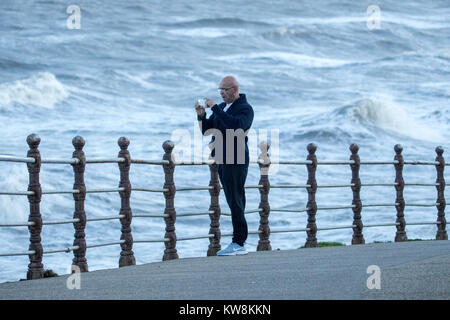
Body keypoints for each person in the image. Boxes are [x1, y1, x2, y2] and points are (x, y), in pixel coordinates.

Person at [195, 76, 254, 256]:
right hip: (221, 157)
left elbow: (235, 126)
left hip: (235, 158)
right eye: (220, 89)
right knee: (231, 198)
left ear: (234, 90)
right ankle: (238, 241)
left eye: (225, 90)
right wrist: (201, 114)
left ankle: (239, 242)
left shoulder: (245, 108)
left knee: (235, 199)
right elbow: (207, 131)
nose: (221, 93)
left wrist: (214, 108)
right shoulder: (221, 107)